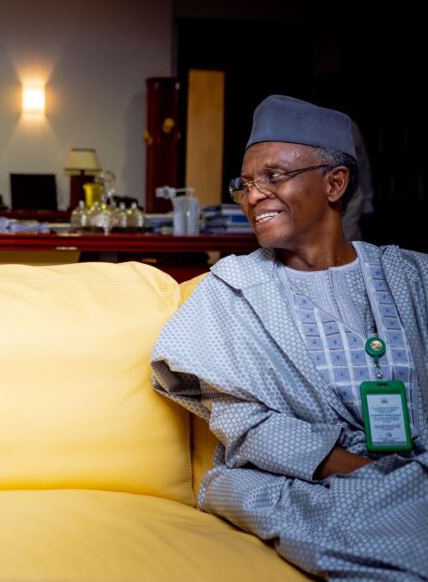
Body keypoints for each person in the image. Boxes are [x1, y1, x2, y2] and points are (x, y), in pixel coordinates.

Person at [151, 95, 427, 580]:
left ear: (334, 183)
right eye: (247, 183)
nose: (254, 195)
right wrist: (364, 474)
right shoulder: (232, 287)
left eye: (274, 176)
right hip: (306, 482)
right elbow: (244, 422)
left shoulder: (410, 275)